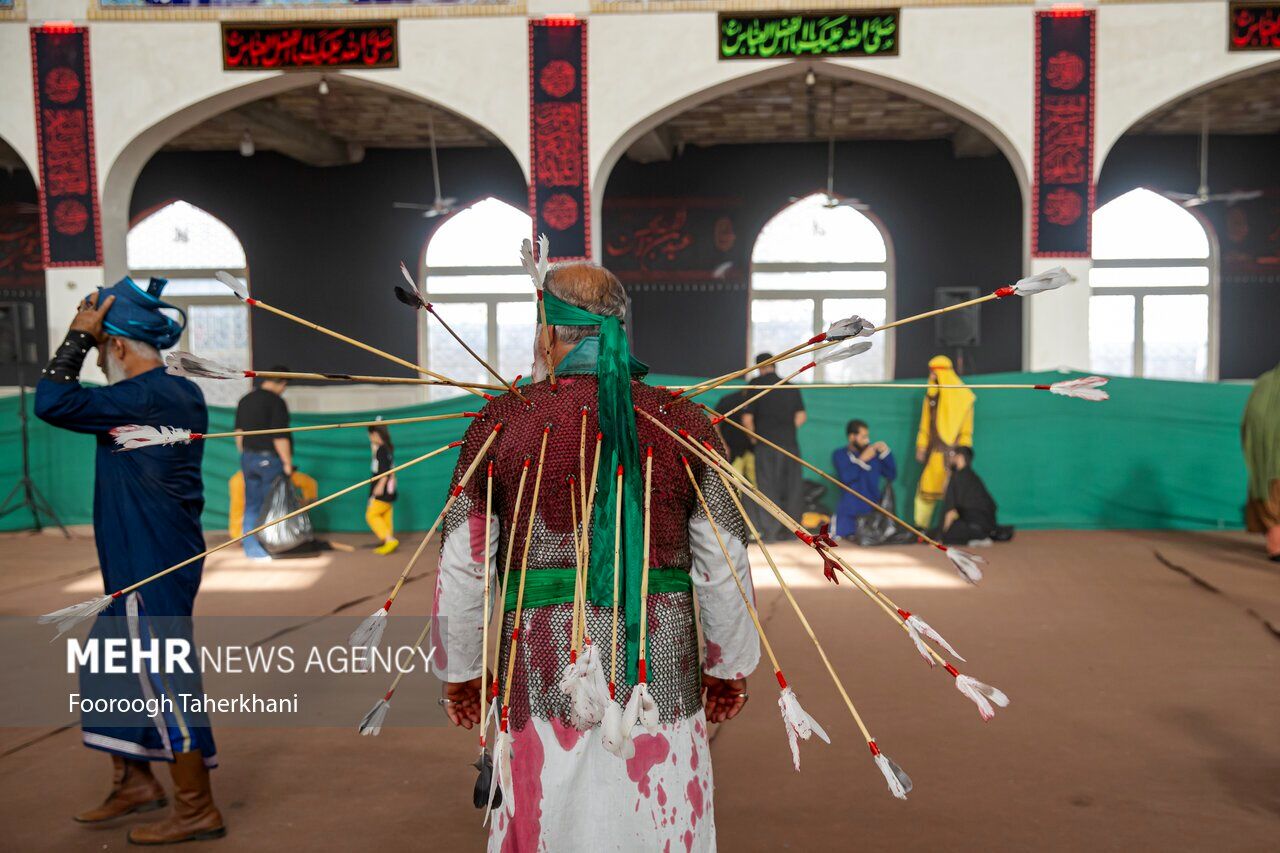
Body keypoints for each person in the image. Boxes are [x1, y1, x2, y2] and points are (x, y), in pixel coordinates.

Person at [432, 262, 759, 851]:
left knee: (546, 812)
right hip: (657, 666)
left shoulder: (505, 423)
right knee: (655, 814)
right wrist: (727, 664)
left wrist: (461, 672)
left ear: (548, 333)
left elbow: (464, 562)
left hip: (540, 657)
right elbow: (724, 561)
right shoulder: (684, 422)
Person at [34, 278, 225, 844]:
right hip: (138, 559)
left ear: (115, 348)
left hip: (151, 564)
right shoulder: (169, 391)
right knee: (107, 664)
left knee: (164, 675)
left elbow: (52, 400)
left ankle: (197, 808)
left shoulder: (145, 397)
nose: (97, 357)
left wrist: (74, 337)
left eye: (100, 348)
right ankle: (136, 782)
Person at [741, 352, 806, 541]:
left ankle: (771, 532)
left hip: (766, 445)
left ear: (759, 367)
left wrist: (756, 439)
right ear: (775, 365)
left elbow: (746, 420)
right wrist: (785, 430)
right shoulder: (790, 387)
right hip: (789, 446)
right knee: (792, 487)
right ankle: (794, 532)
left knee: (768, 488)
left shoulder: (756, 386)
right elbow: (801, 416)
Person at [233, 368, 292, 559]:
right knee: (271, 504)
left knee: (251, 504)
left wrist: (246, 455)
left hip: (248, 457)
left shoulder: (245, 399)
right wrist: (287, 462)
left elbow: (239, 432)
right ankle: (272, 545)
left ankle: (253, 549)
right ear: (282, 383)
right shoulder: (276, 401)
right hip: (269, 459)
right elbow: (279, 436)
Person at [914, 355, 974, 529]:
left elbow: (966, 430)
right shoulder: (931, 396)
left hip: (955, 454)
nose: (931, 377)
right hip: (935, 452)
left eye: (933, 373)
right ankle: (921, 528)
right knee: (926, 490)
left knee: (954, 493)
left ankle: (949, 530)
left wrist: (963, 453)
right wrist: (921, 445)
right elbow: (925, 424)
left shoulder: (965, 398)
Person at [831, 419, 896, 540]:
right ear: (851, 437)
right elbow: (846, 477)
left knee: (871, 542)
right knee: (842, 542)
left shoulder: (874, 456)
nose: (867, 440)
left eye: (868, 436)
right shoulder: (840, 454)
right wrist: (861, 460)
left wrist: (886, 453)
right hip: (849, 513)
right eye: (863, 436)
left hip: (872, 513)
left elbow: (891, 475)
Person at [934, 447, 1012, 546]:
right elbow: (992, 505)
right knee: (952, 527)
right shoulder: (973, 477)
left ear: (960, 457)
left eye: (953, 455)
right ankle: (979, 537)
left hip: (974, 527)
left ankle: (976, 538)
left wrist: (939, 537)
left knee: (940, 532)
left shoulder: (956, 477)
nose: (950, 458)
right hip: (988, 527)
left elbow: (949, 511)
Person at [1243, 362, 1280, 562]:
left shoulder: (1264, 383)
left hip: (1267, 468)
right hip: (1272, 466)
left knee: (1271, 507)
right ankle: (1276, 547)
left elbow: (1249, 424)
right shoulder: (1267, 384)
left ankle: (1275, 546)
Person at [365, 422, 399, 555]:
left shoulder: (381, 450)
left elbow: (384, 471)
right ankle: (388, 541)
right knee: (386, 513)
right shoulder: (387, 448)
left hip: (383, 488)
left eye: (370, 435)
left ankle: (389, 539)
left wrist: (380, 485)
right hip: (390, 490)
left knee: (371, 514)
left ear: (374, 434)